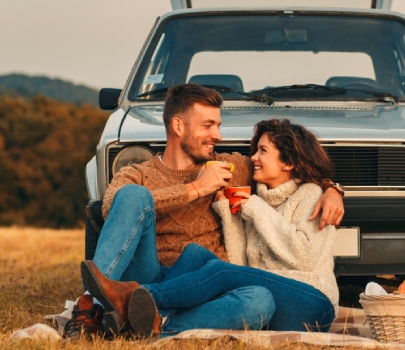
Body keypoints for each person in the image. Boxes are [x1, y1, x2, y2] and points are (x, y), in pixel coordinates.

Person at [64, 84, 345, 339]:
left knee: (253, 297)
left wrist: (332, 189)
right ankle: (92, 306)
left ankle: (150, 324)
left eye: (218, 125)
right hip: (148, 274)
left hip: (205, 288)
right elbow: (111, 209)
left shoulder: (228, 168)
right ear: (178, 126)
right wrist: (195, 189)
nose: (218, 135)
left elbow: (291, 167)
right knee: (134, 196)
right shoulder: (137, 174)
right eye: (208, 125)